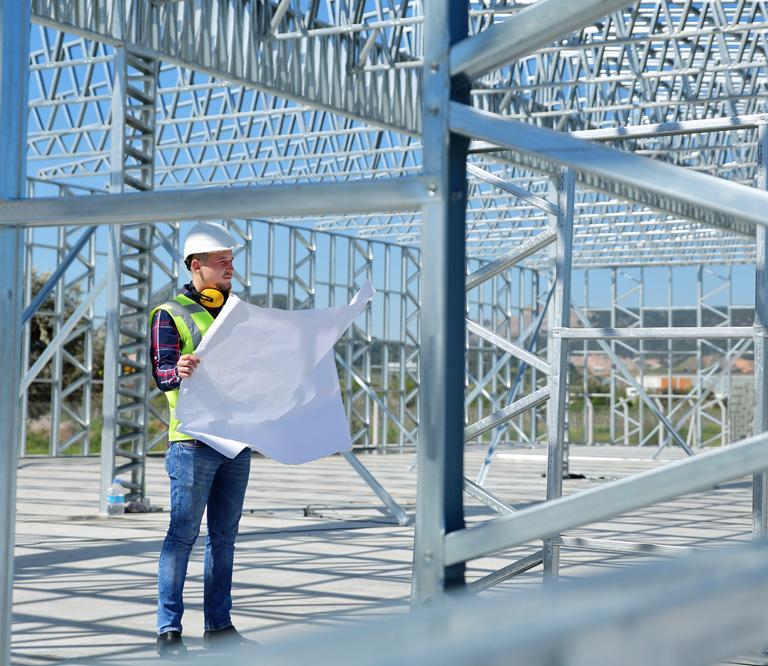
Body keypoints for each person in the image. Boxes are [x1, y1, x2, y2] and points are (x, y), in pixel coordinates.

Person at [149, 222, 255, 659]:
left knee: (224, 538)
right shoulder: (169, 313)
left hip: (236, 442)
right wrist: (181, 371)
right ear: (197, 267)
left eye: (232, 260)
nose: (231, 267)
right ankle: (169, 631)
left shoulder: (241, 313)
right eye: (221, 261)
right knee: (182, 536)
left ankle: (219, 626)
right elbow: (162, 373)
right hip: (192, 442)